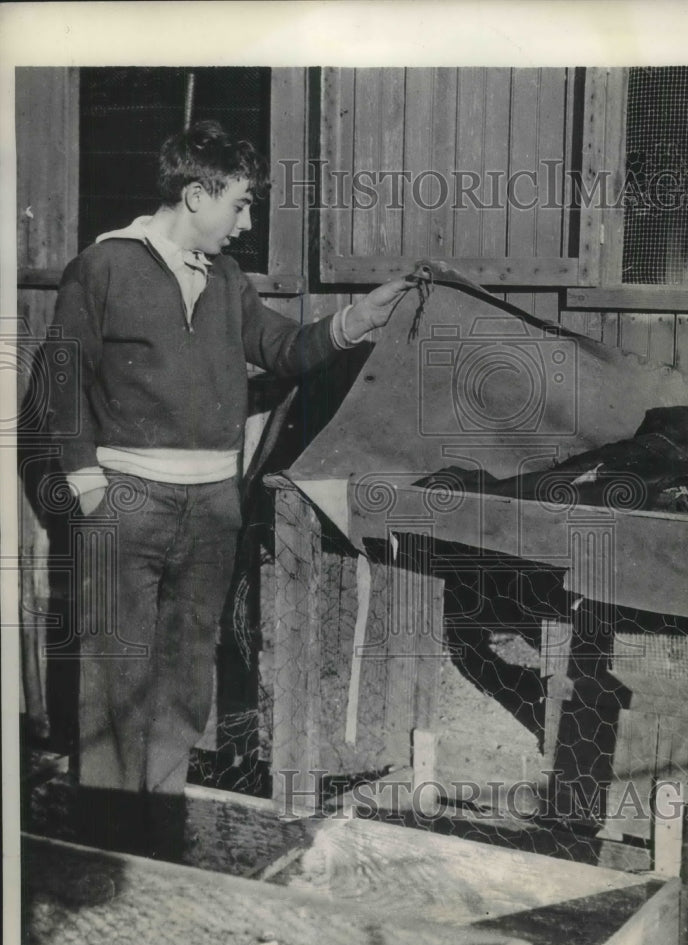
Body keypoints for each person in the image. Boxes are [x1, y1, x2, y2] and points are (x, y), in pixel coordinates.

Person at [46, 119, 413, 858]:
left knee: (184, 677)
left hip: (212, 509)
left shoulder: (229, 282)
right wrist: (86, 483)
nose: (246, 223)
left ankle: (157, 834)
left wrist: (354, 320)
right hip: (125, 503)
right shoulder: (103, 268)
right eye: (240, 205)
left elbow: (283, 347)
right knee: (113, 674)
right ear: (195, 194)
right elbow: (59, 379)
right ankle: (101, 851)